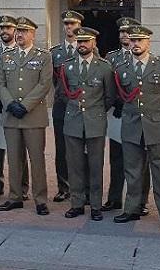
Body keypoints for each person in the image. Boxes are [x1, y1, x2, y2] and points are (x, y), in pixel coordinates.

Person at [112, 24, 160, 228]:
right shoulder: (122, 67)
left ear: (149, 42)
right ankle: (132, 208)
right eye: (132, 40)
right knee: (132, 170)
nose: (136, 44)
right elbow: (119, 94)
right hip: (132, 125)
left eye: (140, 40)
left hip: (156, 125)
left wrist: (157, 113)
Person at [0, 17, 51, 216]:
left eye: (24, 31)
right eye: (18, 31)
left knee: (36, 159)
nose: (19, 34)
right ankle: (15, 197)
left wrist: (25, 106)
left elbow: (44, 84)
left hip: (33, 115)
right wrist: (10, 103)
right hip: (11, 115)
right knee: (14, 158)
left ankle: (41, 199)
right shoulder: (6, 56)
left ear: (33, 34)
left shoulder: (44, 56)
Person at [59, 27, 116, 221]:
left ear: (94, 43)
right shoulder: (67, 66)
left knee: (95, 164)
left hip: (95, 122)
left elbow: (109, 97)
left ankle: (96, 205)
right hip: (73, 121)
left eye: (86, 41)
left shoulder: (104, 67)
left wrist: (95, 111)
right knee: (74, 165)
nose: (82, 45)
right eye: (79, 41)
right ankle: (76, 203)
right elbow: (62, 93)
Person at [104, 16, 150, 215]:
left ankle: (141, 201)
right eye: (122, 32)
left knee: (141, 160)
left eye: (128, 32)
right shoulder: (111, 57)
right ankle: (114, 198)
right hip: (117, 114)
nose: (125, 35)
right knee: (116, 157)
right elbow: (106, 85)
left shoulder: (145, 56)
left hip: (138, 115)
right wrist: (115, 103)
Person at [0, 15, 28, 199]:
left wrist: (13, 103)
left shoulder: (23, 52)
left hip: (18, 108)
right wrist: (1, 99)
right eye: (1, 28)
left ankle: (22, 188)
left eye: (8, 28)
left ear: (16, 31)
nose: (4, 31)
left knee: (18, 150)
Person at [48, 10, 82, 203]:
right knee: (61, 148)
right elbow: (53, 79)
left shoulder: (87, 49)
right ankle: (63, 187)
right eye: (67, 24)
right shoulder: (55, 52)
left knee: (79, 148)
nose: (69, 27)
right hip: (61, 105)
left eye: (73, 24)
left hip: (79, 107)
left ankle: (79, 186)